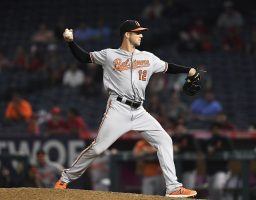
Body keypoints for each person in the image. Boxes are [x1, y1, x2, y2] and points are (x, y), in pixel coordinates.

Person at [55, 20, 199, 198]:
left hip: (139, 111)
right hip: (118, 108)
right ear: (127, 34)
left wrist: (189, 70)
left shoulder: (148, 57)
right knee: (98, 148)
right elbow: (84, 57)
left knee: (164, 141)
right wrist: (70, 42)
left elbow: (169, 67)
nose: (141, 35)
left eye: (141, 32)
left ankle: (173, 187)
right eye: (137, 32)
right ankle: (65, 178)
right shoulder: (109, 55)